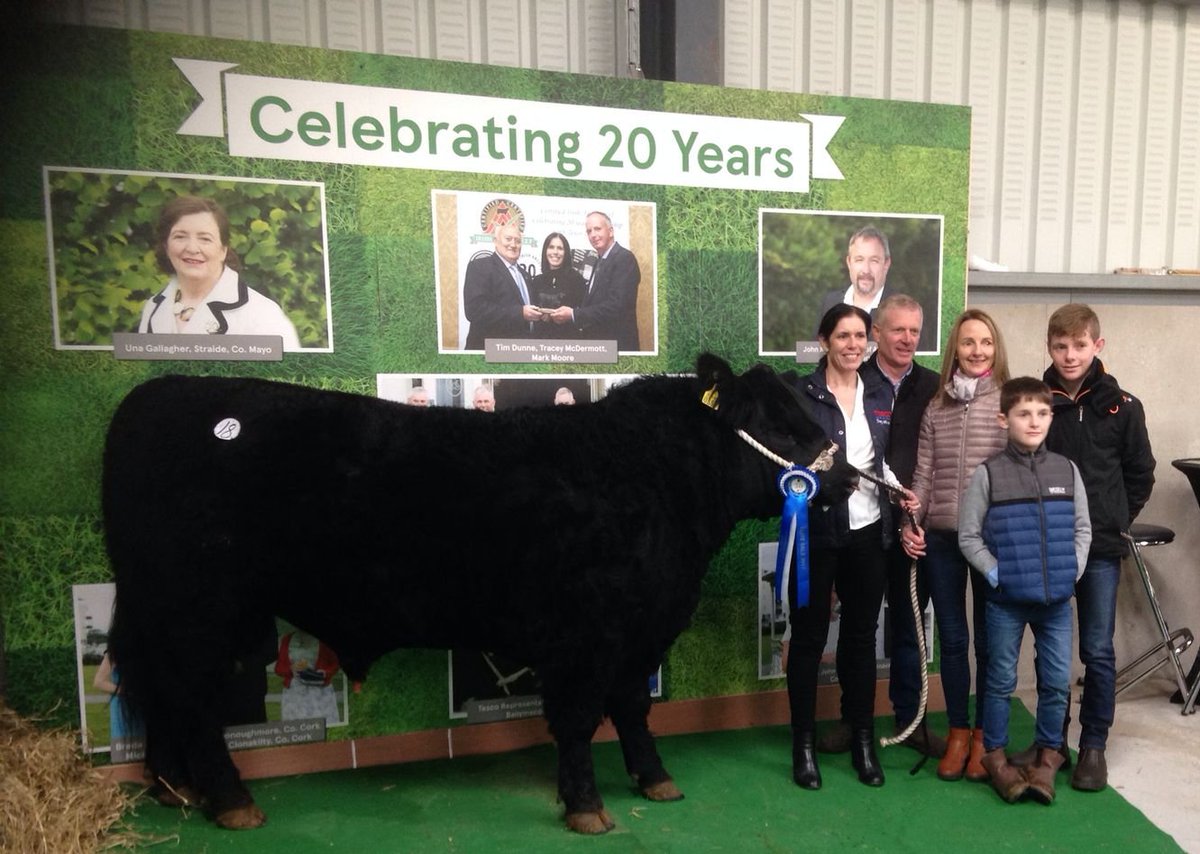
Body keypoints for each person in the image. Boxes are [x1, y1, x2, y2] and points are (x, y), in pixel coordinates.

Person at [1011, 304, 1155, 792]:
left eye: (1079, 345)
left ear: (1098, 346)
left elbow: (1140, 474)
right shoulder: (1035, 402)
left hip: (1099, 551)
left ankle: (1093, 743)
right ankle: (1051, 742)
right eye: (1059, 346)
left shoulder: (1124, 407)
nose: (1069, 356)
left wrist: (1113, 521)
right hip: (1045, 549)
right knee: (1050, 648)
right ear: (1048, 347)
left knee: (1096, 648)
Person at [819, 295, 944, 758]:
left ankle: (910, 719)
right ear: (876, 334)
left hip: (915, 526)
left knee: (912, 625)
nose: (908, 339)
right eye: (898, 330)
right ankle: (856, 724)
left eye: (915, 331)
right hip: (867, 529)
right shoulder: (855, 379)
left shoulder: (936, 385)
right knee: (859, 627)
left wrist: (921, 514)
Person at [787, 303, 904, 790]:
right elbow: (788, 460)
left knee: (860, 640)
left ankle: (861, 739)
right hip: (818, 533)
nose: (854, 345)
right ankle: (804, 745)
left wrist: (899, 488)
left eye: (860, 337)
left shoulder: (880, 391)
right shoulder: (801, 394)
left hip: (869, 533)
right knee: (810, 640)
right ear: (824, 341)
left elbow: (879, 459)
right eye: (843, 337)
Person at [958, 377, 1092, 804]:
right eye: (1023, 413)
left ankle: (1047, 759)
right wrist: (998, 575)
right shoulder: (988, 474)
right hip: (1006, 604)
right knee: (999, 681)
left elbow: (1082, 529)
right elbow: (968, 537)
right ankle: (995, 758)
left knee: (1055, 683)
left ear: (1051, 417)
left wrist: (1071, 570)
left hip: (1056, 604)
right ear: (1004, 419)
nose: (1033, 421)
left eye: (1042, 413)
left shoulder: (1067, 471)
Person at [901, 308, 1010, 782]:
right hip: (942, 539)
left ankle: (986, 735)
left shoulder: (1007, 402)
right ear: (955, 349)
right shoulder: (937, 406)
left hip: (989, 541)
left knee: (988, 642)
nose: (977, 351)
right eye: (968, 343)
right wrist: (913, 520)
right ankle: (959, 732)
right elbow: (923, 473)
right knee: (953, 639)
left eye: (985, 343)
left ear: (995, 348)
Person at [137, 195, 301, 349]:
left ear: (223, 250)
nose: (192, 248)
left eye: (205, 239)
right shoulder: (153, 308)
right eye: (180, 236)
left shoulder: (263, 315)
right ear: (166, 246)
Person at [545, 212, 640, 350]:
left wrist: (573, 314)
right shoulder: (599, 261)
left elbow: (617, 306)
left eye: (597, 229)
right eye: (589, 231)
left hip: (618, 347)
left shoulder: (624, 259)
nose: (593, 235)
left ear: (611, 231)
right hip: (599, 346)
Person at [463, 221, 542, 350]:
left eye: (518, 240)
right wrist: (520, 312)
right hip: (489, 352)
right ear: (495, 241)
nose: (513, 244)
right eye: (508, 239)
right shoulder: (480, 266)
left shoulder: (525, 275)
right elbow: (474, 310)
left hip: (520, 351)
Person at [814, 226, 892, 335]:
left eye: (874, 261)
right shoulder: (830, 303)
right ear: (849, 262)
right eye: (859, 260)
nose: (866, 270)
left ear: (886, 264)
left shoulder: (902, 310)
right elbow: (813, 351)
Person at [275, 629, 341, 726]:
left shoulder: (324, 639)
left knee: (322, 727)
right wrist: (291, 669)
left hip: (319, 692)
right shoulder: (287, 639)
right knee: (295, 729)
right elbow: (279, 668)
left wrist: (324, 673)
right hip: (294, 694)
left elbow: (335, 663)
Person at [530, 232, 587, 334]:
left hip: (568, 341)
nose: (555, 252)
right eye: (551, 247)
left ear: (566, 253)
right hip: (540, 341)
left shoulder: (576, 279)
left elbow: (585, 313)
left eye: (560, 248)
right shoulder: (537, 281)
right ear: (545, 251)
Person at [94, 649, 143, 744]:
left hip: (142, 710)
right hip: (123, 708)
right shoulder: (115, 652)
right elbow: (99, 682)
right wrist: (126, 691)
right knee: (125, 750)